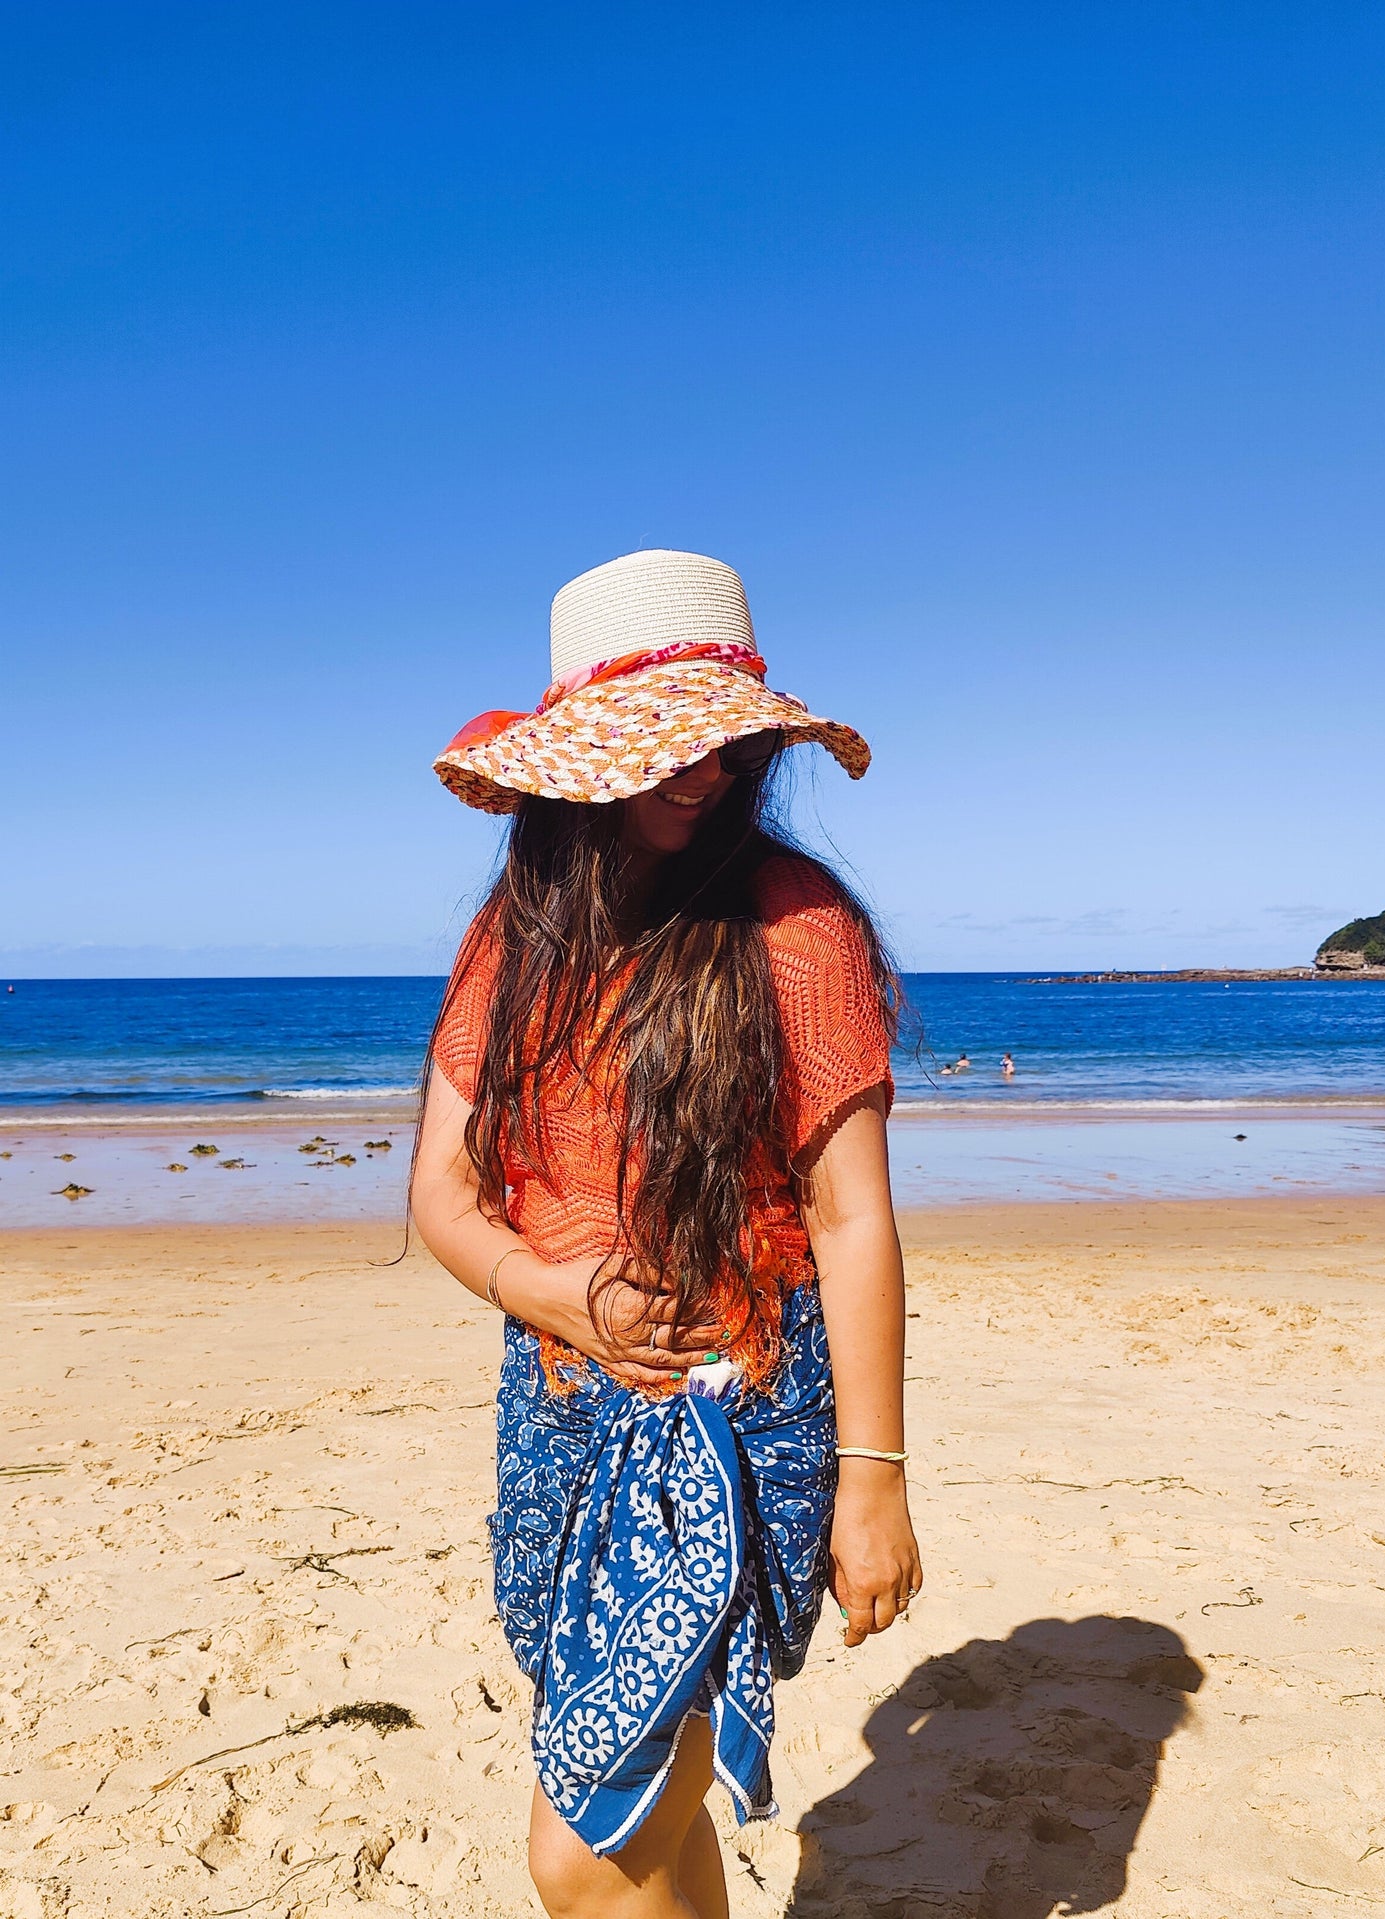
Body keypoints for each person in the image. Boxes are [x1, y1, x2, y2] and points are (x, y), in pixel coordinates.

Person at [411, 550, 923, 1919]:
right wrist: (553, 1290)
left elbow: (852, 1215)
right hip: (556, 1410)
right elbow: (441, 1199)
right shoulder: (509, 940)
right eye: (666, 752)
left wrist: (873, 1477)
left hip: (739, 1422)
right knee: (652, 1812)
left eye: (725, 749)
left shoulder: (792, 927)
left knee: (580, 1850)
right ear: (574, 766)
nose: (703, 779)